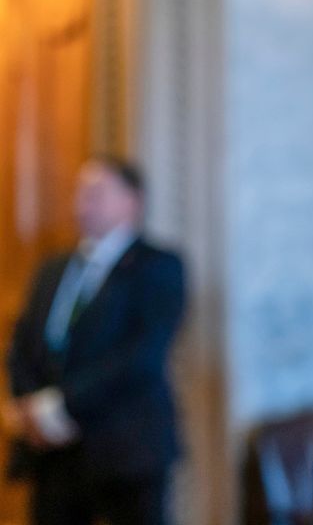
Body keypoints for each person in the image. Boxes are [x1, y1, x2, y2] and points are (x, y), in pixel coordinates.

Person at [4, 157, 186, 525]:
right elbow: (22, 342)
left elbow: (141, 355)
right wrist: (31, 405)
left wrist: (62, 407)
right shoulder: (54, 268)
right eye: (79, 194)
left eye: (95, 193)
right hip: (53, 453)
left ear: (132, 200)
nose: (81, 204)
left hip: (126, 449)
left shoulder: (159, 266)